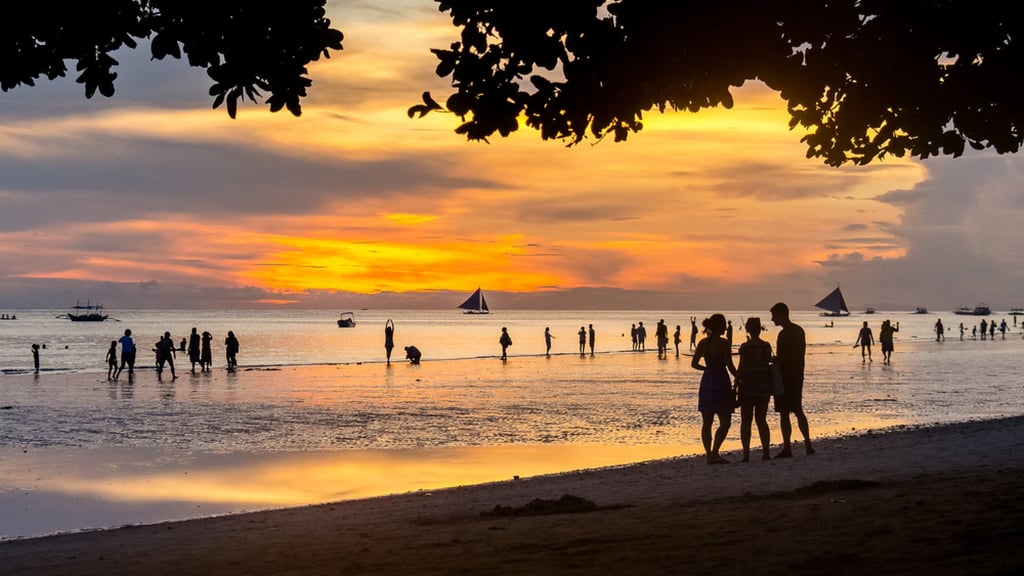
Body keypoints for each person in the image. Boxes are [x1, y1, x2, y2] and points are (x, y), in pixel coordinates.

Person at [691, 313, 737, 465]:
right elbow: (729, 365)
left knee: (707, 422)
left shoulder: (703, 342)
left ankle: (709, 454)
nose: (725, 328)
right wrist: (739, 377)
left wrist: (707, 369)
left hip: (707, 380)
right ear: (719, 326)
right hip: (721, 380)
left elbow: (694, 363)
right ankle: (715, 451)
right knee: (725, 421)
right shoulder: (724, 343)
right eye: (723, 325)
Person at [770, 302, 814, 458]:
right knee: (797, 410)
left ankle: (787, 448)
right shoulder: (798, 331)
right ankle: (808, 445)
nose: (772, 319)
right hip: (797, 375)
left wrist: (774, 361)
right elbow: (795, 354)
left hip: (785, 376)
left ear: (782, 315)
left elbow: (784, 357)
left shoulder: (784, 334)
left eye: (774, 316)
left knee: (784, 412)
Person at [736, 317, 772, 462]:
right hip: (764, 388)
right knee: (762, 420)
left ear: (748, 330)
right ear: (760, 329)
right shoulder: (766, 346)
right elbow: (768, 362)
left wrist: (736, 383)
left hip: (748, 388)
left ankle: (746, 454)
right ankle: (766, 452)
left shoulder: (745, 347)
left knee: (746, 421)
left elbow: (741, 367)